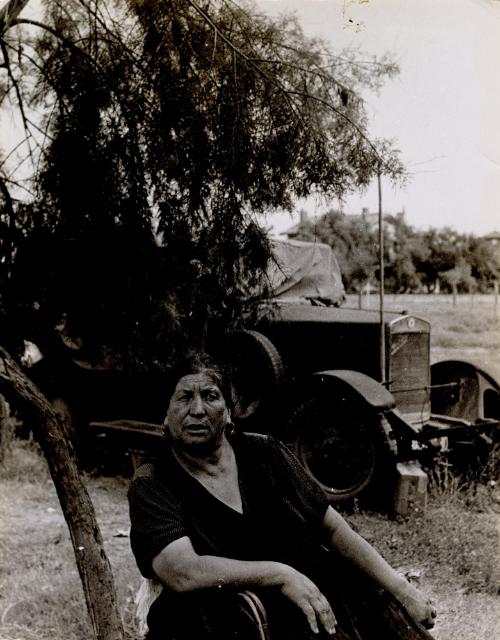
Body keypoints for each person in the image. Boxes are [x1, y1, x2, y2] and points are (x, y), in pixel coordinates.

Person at [128, 352, 437, 640]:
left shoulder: (264, 452)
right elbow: (183, 571)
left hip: (309, 597)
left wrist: (401, 590)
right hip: (225, 617)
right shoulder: (154, 481)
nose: (197, 410)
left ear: (229, 410)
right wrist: (279, 574)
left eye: (210, 396)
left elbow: (332, 528)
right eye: (184, 397)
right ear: (166, 415)